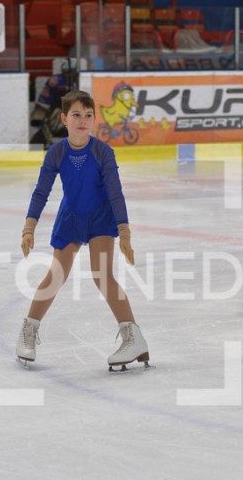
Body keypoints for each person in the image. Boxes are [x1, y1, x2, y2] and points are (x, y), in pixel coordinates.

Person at [17, 89, 150, 370]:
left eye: (88, 115)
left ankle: (133, 338)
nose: (83, 120)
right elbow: (41, 192)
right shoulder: (57, 152)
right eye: (76, 115)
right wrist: (29, 227)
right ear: (64, 119)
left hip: (100, 219)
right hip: (71, 218)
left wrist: (124, 233)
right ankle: (28, 331)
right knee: (56, 275)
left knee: (102, 276)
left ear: (94, 120)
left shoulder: (102, 152)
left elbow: (115, 193)